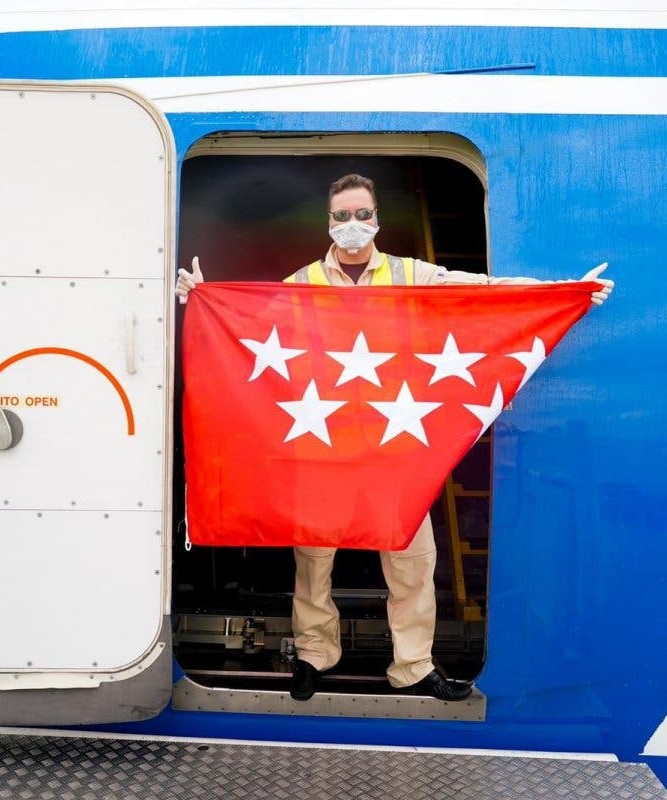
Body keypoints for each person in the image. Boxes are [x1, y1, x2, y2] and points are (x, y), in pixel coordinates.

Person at [176, 174, 612, 701]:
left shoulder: (410, 274)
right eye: (342, 216)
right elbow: (247, 322)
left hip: (393, 450)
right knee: (313, 559)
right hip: (323, 446)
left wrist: (564, 293)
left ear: (377, 218)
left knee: (411, 560)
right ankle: (315, 654)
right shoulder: (304, 281)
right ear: (328, 223)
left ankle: (413, 665)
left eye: (362, 214)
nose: (353, 225)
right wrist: (201, 298)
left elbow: (480, 291)